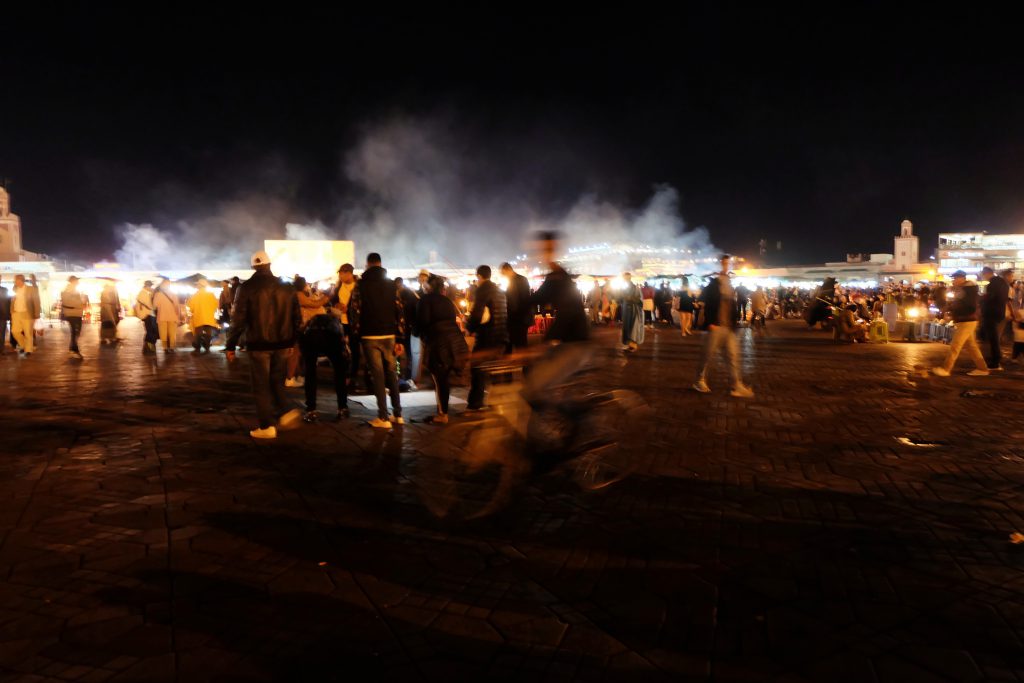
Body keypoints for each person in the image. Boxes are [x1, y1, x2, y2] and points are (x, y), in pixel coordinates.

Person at [225, 251, 303, 438]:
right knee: (276, 381)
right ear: (269, 265)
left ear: (253, 267)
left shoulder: (246, 287)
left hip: (259, 343)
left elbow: (238, 319)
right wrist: (292, 341)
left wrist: (230, 345)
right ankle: (285, 410)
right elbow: (296, 317)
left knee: (260, 385)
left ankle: (267, 426)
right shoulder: (287, 287)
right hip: (283, 343)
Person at [349, 252, 405, 429]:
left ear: (367, 265)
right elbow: (400, 312)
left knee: (378, 375)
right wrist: (400, 338)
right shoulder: (391, 285)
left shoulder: (360, 285)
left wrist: (355, 333)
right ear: (381, 264)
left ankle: (383, 417)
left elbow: (354, 311)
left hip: (369, 335)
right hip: (389, 335)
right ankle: (398, 414)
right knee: (392, 373)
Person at [692, 254, 755, 397]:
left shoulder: (730, 284)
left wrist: (734, 322)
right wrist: (709, 322)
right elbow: (704, 301)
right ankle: (699, 380)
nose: (726, 267)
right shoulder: (713, 284)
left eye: (728, 264)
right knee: (707, 355)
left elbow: (732, 306)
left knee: (733, 357)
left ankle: (736, 385)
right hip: (716, 326)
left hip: (728, 327)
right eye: (724, 264)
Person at [416, 275, 469, 424]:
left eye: (425, 284)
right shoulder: (447, 301)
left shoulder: (425, 300)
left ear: (429, 286)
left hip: (438, 341)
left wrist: (419, 333)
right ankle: (443, 411)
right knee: (444, 378)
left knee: (440, 379)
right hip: (455, 340)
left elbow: (423, 322)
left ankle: (442, 414)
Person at [466, 265, 509, 411]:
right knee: (494, 369)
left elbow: (477, 314)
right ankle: (497, 400)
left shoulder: (483, 290)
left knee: (477, 369)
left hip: (487, 335)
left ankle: (475, 403)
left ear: (479, 276)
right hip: (501, 334)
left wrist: (469, 327)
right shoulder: (499, 290)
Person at [933, 270, 989, 377]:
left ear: (962, 278)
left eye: (956, 278)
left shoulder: (968, 290)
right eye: (953, 278)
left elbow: (968, 305)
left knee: (955, 345)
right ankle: (982, 368)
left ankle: (946, 369)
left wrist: (952, 307)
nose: (954, 280)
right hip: (965, 320)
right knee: (972, 346)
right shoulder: (963, 290)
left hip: (967, 320)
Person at [300, 309, 349, 423]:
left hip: (312, 338)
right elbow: (342, 343)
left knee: (310, 372)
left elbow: (302, 336)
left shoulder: (311, 324)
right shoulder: (336, 323)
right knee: (339, 372)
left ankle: (311, 410)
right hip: (333, 338)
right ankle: (342, 407)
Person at [332, 264, 361, 392]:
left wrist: (348, 309)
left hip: (354, 323)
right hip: (340, 322)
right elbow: (332, 300)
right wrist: (336, 304)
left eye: (342, 273)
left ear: (349, 273)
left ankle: (352, 378)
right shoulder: (338, 286)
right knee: (340, 350)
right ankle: (342, 376)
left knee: (355, 351)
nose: (340, 276)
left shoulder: (359, 286)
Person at [980, 266, 1010, 371]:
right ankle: (995, 358)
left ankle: (995, 362)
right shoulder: (1002, 282)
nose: (983, 277)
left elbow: (991, 297)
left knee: (993, 338)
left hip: (992, 313)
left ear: (987, 273)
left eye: (983, 275)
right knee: (994, 337)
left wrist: (983, 299)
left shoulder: (993, 283)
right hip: (998, 312)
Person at [501, 262, 532, 351]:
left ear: (508, 270)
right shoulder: (523, 279)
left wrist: (509, 317)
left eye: (504, 274)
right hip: (523, 317)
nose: (504, 276)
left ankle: (521, 363)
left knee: (517, 344)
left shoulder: (513, 281)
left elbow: (513, 301)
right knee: (521, 343)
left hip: (517, 318)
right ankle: (523, 363)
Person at [395, 277, 419, 391]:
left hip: (403, 331)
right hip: (405, 331)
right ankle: (403, 376)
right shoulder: (410, 297)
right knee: (402, 355)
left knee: (402, 355)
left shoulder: (404, 298)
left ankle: (403, 376)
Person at [187, 278, 219, 353]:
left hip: (199, 317)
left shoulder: (195, 295)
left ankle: (198, 347)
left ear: (200, 285)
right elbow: (215, 305)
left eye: (197, 284)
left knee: (198, 333)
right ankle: (207, 346)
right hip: (209, 317)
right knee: (208, 333)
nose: (197, 286)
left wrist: (192, 311)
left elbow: (191, 306)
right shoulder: (211, 294)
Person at [10, 274, 39, 356]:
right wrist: (11, 311)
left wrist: (36, 314)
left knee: (28, 333)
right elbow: (13, 300)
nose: (15, 282)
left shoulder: (30, 289)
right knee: (15, 331)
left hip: (27, 313)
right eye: (15, 281)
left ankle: (28, 350)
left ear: (21, 280)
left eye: (16, 280)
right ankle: (23, 345)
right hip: (16, 313)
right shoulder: (15, 289)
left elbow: (36, 301)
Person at [60, 276, 85, 359]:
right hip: (73, 313)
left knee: (75, 332)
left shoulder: (71, 289)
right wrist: (81, 303)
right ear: (73, 281)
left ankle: (72, 349)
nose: (78, 282)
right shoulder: (69, 290)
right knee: (76, 332)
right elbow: (70, 302)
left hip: (74, 313)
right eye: (77, 280)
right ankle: (74, 350)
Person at [619, 272, 644, 352]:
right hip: (627, 308)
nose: (625, 279)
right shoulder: (625, 286)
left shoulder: (634, 287)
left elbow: (639, 300)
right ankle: (630, 344)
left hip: (633, 309)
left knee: (632, 326)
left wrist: (630, 298)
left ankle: (633, 345)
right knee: (627, 326)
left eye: (626, 278)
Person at [153, 280, 180, 352]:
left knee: (163, 333)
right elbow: (177, 306)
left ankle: (165, 348)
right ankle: (172, 347)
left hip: (162, 316)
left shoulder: (158, 294)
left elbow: (154, 306)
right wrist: (178, 316)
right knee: (172, 333)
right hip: (173, 316)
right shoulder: (174, 294)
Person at [135, 281, 159, 354]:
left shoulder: (145, 293)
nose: (151, 288)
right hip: (148, 314)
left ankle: (148, 349)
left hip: (148, 314)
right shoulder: (143, 293)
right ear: (147, 286)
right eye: (150, 286)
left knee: (150, 331)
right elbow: (150, 305)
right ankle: (149, 349)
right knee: (151, 332)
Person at [0, 277, 10, 355]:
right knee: (1, 333)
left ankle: (1, 349)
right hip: (3, 315)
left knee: (2, 333)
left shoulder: (5, 290)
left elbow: (8, 303)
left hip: (2, 316)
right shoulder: (4, 290)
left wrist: (8, 315)